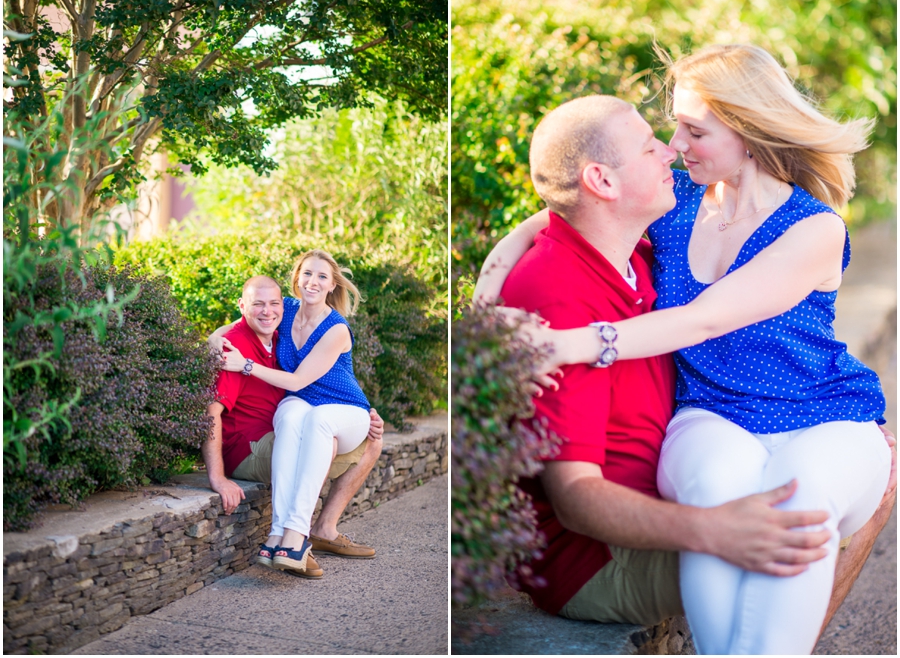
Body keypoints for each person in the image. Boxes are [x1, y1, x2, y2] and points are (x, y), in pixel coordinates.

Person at [474, 69, 896, 654]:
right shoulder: (675, 209)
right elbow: (560, 210)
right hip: (710, 417)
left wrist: (570, 342)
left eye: (691, 131)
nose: (673, 147)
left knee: (803, 507)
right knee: (723, 504)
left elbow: (707, 318)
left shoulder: (813, 226)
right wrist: (487, 292)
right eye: (667, 133)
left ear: (746, 132)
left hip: (817, 411)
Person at [203, 271, 383, 579]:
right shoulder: (234, 349)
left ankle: (320, 530)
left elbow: (310, 379)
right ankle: (296, 540)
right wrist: (217, 478)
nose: (268, 311)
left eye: (273, 304)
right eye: (258, 305)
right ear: (242, 306)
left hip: (274, 433)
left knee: (358, 435)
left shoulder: (280, 325)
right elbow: (210, 413)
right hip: (248, 449)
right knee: (328, 438)